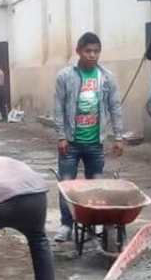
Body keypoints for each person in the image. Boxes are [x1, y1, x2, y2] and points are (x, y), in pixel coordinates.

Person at [53, 31, 125, 242]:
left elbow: (115, 107)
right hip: (71, 142)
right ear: (78, 51)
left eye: (96, 51)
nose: (92, 55)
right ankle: (66, 225)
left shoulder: (106, 77)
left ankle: (96, 222)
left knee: (97, 184)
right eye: (88, 51)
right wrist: (61, 136)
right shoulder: (65, 76)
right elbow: (58, 108)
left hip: (95, 142)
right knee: (67, 184)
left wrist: (118, 137)